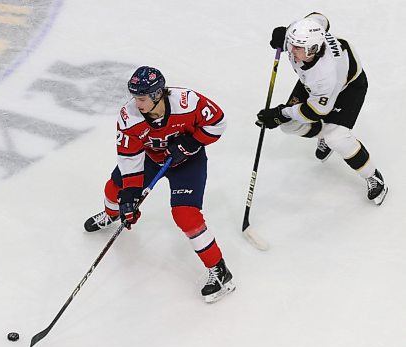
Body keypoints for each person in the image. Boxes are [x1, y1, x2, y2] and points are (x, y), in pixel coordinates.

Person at [84, 66, 235, 303]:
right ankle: (112, 214)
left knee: (186, 216)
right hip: (151, 159)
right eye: (135, 97)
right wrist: (130, 197)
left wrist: (192, 143)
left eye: (142, 98)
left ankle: (220, 272)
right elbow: (128, 157)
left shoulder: (188, 102)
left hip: (188, 163)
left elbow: (218, 122)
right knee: (114, 190)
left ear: (157, 95)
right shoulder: (128, 117)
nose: (137, 103)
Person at [256, 12, 388, 205]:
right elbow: (320, 18)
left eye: (297, 47)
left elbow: (316, 111)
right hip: (312, 84)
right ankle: (322, 135)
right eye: (291, 43)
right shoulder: (305, 39)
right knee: (289, 126)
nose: (291, 49)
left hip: (349, 88)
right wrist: (284, 34)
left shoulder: (324, 75)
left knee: (337, 138)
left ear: (313, 49)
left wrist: (281, 113)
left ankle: (372, 176)